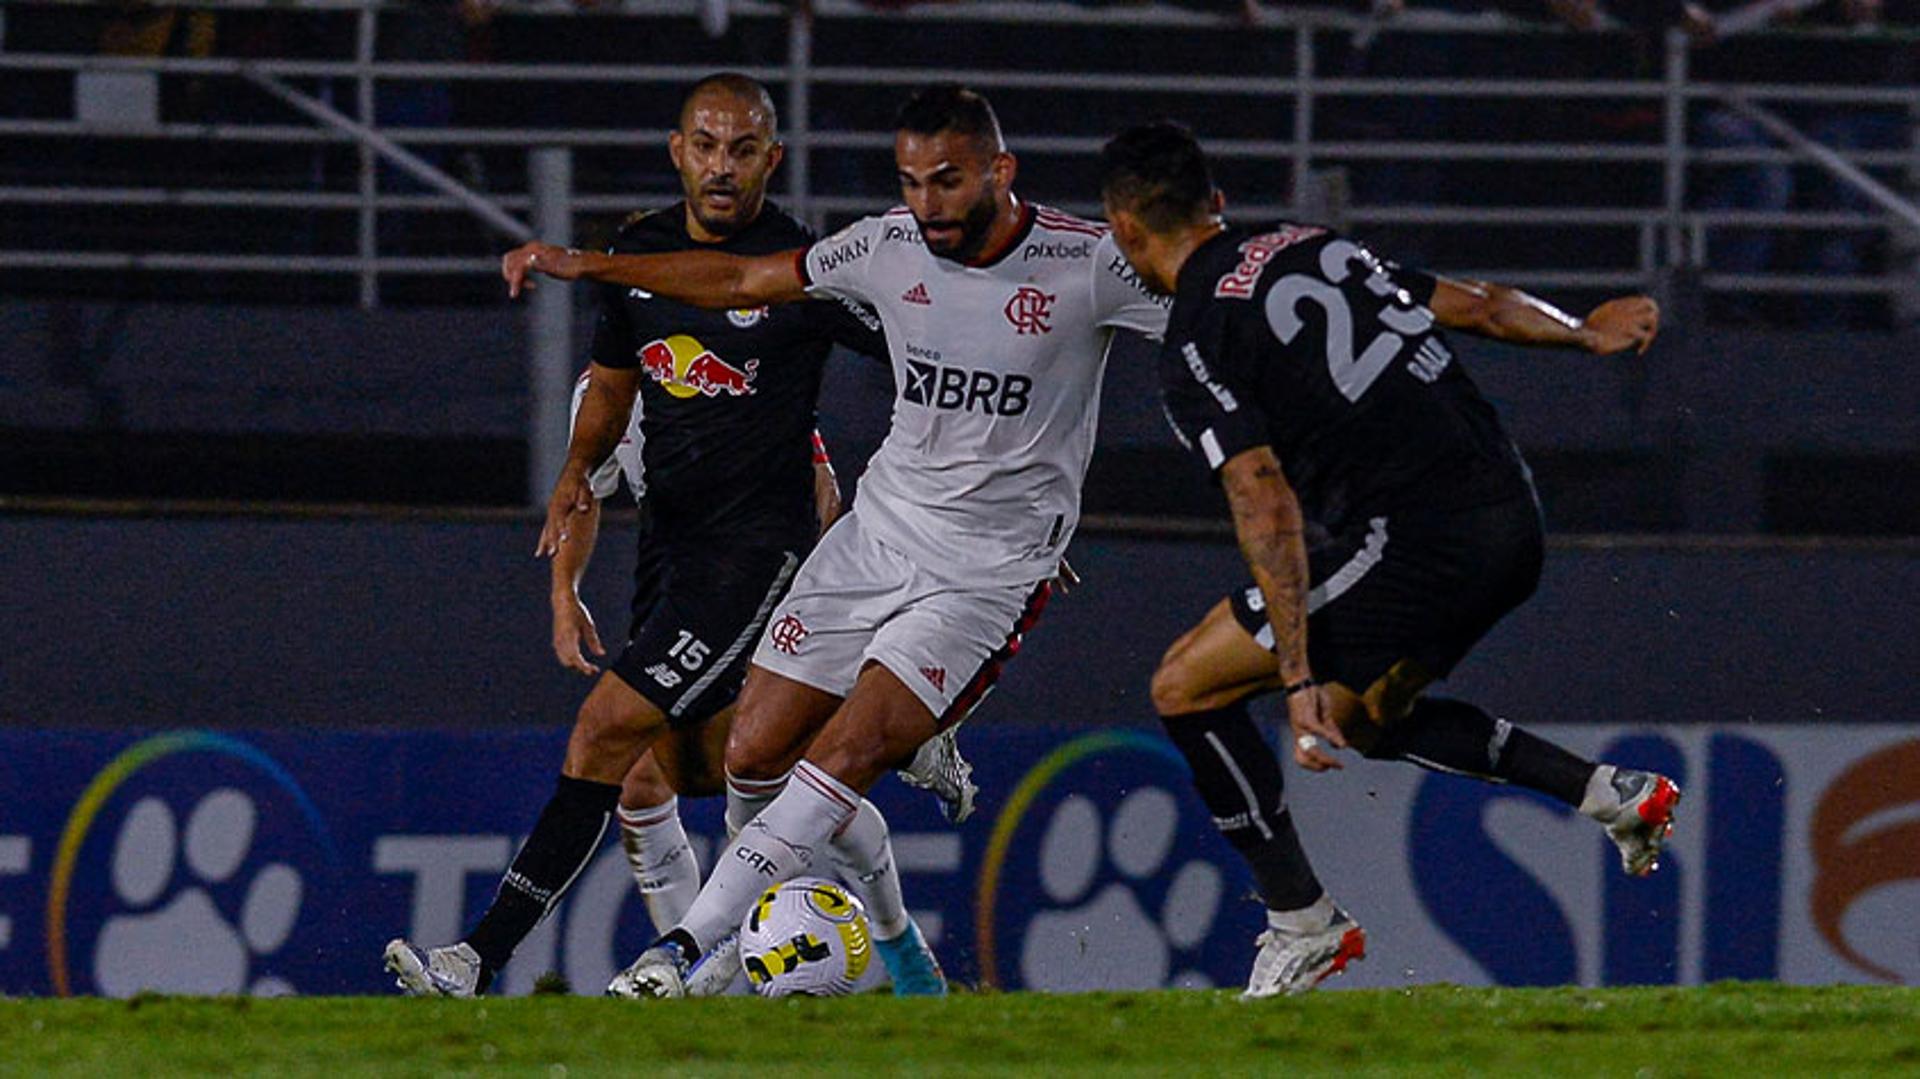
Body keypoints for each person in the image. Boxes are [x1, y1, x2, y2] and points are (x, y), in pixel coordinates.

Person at [500, 83, 1170, 999]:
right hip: (874, 538)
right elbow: (740, 279)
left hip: (985, 572)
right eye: (911, 181)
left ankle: (684, 955)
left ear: (998, 171)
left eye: (947, 180)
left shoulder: (1086, 264)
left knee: (838, 751)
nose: (927, 202)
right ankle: (876, 929)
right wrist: (593, 266)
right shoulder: (885, 243)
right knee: (752, 757)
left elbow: (1210, 306)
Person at [384, 73, 961, 999]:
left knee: (612, 733)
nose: (722, 167)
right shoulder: (639, 260)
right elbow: (609, 388)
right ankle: (885, 788)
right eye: (706, 145)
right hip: (673, 552)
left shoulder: (807, 268)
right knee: (710, 768)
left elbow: (928, 356)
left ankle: (485, 957)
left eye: (742, 150)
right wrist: (577, 467)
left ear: (772, 159)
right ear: (677, 150)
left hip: (760, 550)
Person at [1097, 120, 1679, 998]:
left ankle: (1301, 922)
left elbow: (1263, 497)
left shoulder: (1195, 338)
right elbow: (1477, 303)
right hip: (1510, 518)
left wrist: (1292, 677)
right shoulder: (1310, 245)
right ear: (1215, 202)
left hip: (1418, 540)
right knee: (1363, 715)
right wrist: (1582, 334)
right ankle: (1612, 792)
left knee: (1186, 683)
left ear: (1125, 232)